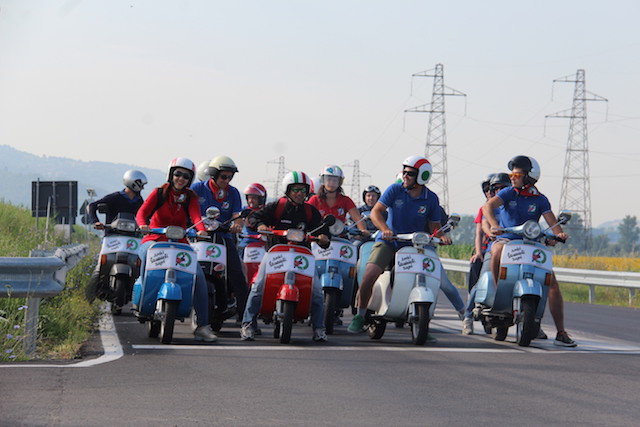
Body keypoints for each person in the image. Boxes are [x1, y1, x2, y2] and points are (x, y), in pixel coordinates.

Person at [347, 155, 455, 342]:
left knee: (426, 279)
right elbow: (375, 212)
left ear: (422, 176)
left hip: (414, 245)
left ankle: (422, 321)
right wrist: (385, 229)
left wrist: (442, 236)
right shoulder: (395, 189)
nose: (405, 176)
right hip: (389, 241)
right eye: (404, 172)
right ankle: (361, 314)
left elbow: (434, 226)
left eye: (410, 173)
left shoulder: (431, 198)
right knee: (370, 273)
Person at [483, 155, 576, 347]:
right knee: (497, 250)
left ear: (529, 176)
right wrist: (494, 225)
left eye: (516, 174)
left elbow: (552, 222)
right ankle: (499, 293)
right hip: (507, 239)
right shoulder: (509, 193)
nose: (512, 177)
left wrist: (559, 234)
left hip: (531, 244)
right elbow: (488, 207)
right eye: (511, 173)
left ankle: (561, 331)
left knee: (552, 283)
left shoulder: (540, 199)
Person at [240, 171, 331, 342]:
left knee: (317, 291)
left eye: (303, 190)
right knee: (257, 286)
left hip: (302, 256)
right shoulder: (277, 206)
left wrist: (324, 238)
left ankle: (319, 328)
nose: (299, 194)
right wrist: (261, 225)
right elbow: (253, 217)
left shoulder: (310, 211)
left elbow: (323, 231)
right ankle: (247, 324)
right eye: (296, 189)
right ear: (287, 190)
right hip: (275, 252)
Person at [135, 157, 217, 342]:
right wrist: (142, 225)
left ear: (190, 179)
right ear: (171, 174)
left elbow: (196, 216)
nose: (181, 178)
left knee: (199, 277)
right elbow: (142, 213)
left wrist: (202, 229)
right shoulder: (158, 193)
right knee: (146, 256)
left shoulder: (190, 198)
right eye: (178, 174)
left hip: (180, 244)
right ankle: (141, 302)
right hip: (155, 240)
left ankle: (202, 325)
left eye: (186, 176)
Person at [190, 155, 249, 323]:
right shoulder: (197, 188)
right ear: (214, 174)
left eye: (230, 176)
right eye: (224, 176)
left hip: (222, 238)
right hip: (198, 237)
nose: (227, 180)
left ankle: (246, 319)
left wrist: (238, 224)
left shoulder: (234, 193)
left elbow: (237, 215)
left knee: (237, 274)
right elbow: (187, 207)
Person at [85, 169, 148, 303]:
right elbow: (92, 206)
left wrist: (147, 226)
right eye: (140, 183)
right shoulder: (115, 197)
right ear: (132, 182)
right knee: (99, 268)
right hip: (112, 237)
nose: (142, 187)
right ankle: (91, 297)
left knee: (139, 263)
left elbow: (145, 216)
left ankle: (138, 294)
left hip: (132, 239)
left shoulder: (139, 202)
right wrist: (95, 221)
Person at [462, 172, 510, 335]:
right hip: (494, 247)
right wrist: (491, 233)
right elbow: (483, 228)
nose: (497, 192)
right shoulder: (488, 207)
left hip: (515, 249)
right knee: (483, 280)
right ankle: (467, 316)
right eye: (494, 189)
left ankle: (532, 323)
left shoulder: (514, 204)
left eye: (503, 188)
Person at [307, 165, 370, 237]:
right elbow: (306, 216)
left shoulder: (346, 200)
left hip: (341, 238)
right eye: (329, 179)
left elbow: (357, 218)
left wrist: (363, 230)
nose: (331, 183)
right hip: (319, 238)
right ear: (323, 180)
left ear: (339, 182)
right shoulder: (314, 200)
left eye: (335, 180)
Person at [237, 182, 268, 258]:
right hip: (245, 244)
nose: (251, 201)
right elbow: (237, 221)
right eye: (249, 198)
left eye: (254, 198)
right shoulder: (244, 210)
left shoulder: (267, 211)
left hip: (263, 245)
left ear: (261, 199)